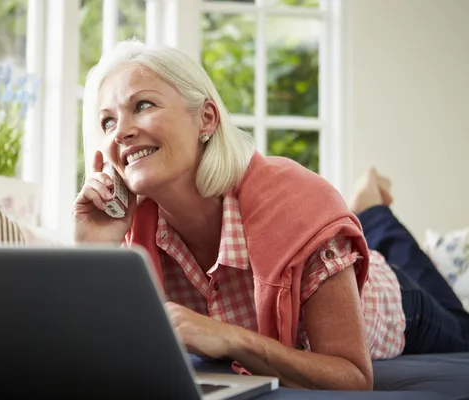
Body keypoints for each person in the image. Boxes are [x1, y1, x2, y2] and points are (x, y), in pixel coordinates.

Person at [72, 39, 469, 391]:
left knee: (460, 324)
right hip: (330, 253)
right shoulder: (130, 231)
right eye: (107, 120)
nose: (119, 132)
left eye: (142, 105)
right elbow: (97, 364)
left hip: (394, 302)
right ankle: (368, 214)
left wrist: (229, 338)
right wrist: (94, 253)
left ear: (206, 119)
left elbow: (354, 376)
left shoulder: (299, 203)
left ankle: (372, 211)